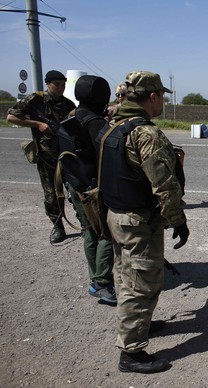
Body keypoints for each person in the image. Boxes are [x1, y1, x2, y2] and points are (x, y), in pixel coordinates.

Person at [98, 71, 189, 373]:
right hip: (138, 221)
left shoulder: (114, 128)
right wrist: (178, 220)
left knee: (126, 278)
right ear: (153, 97)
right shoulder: (145, 134)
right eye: (162, 95)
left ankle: (141, 326)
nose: (163, 100)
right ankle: (131, 353)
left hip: (117, 216)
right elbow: (165, 185)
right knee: (142, 285)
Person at [7, 70, 76, 244]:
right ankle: (58, 226)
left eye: (63, 85)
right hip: (46, 157)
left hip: (66, 156)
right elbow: (11, 117)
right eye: (57, 85)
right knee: (51, 195)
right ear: (48, 84)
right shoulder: (35, 100)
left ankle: (85, 222)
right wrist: (38, 124)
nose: (61, 88)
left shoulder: (67, 105)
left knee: (75, 191)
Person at [68, 75, 117, 304]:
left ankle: (95, 279)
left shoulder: (72, 116)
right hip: (93, 188)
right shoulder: (95, 123)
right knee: (106, 233)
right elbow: (108, 154)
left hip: (76, 185)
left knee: (89, 232)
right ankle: (102, 283)